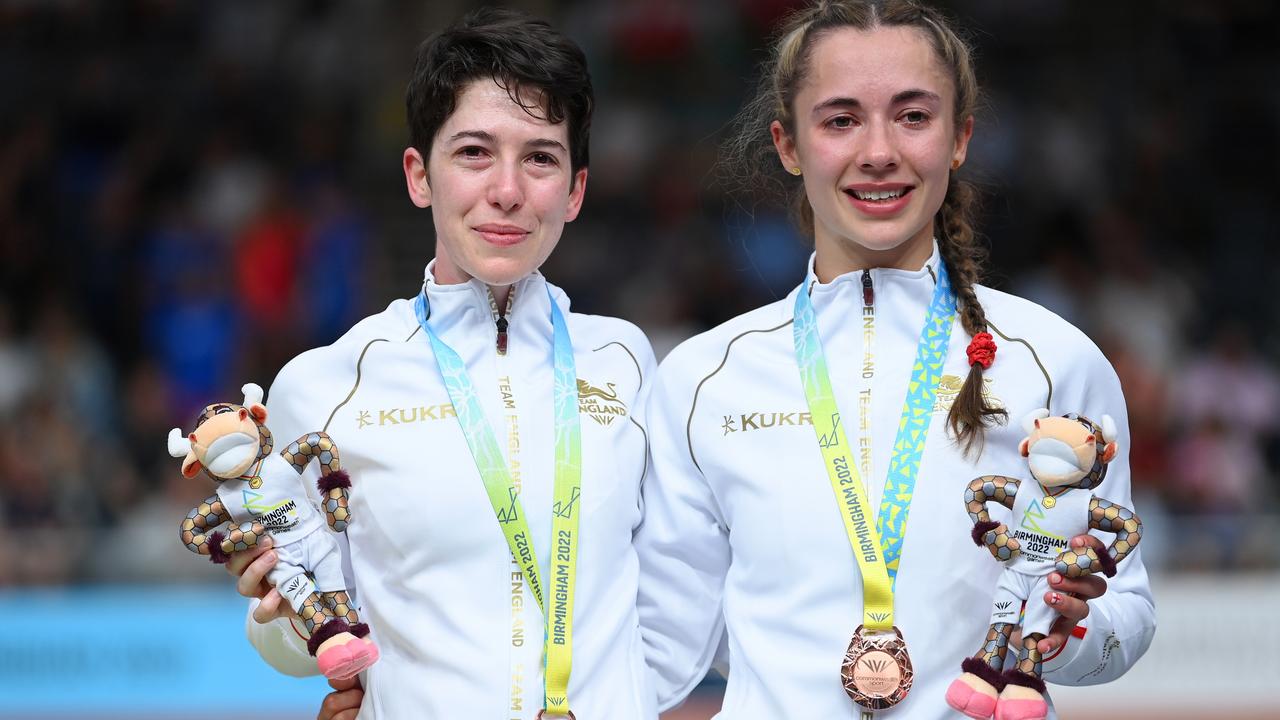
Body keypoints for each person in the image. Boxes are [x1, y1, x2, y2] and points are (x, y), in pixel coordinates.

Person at [635, 1, 1155, 718]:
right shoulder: (704, 379)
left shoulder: (1052, 359)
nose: (878, 151)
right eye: (841, 119)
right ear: (788, 144)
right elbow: (661, 641)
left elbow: (1126, 606)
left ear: (960, 136)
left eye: (913, 116)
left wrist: (1068, 634)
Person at [225, 9, 658, 719]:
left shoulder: (630, 363)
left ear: (576, 190)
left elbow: (671, 607)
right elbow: (302, 642)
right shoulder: (328, 385)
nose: (508, 190)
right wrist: (279, 616)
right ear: (419, 175)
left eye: (541, 158)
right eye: (474, 153)